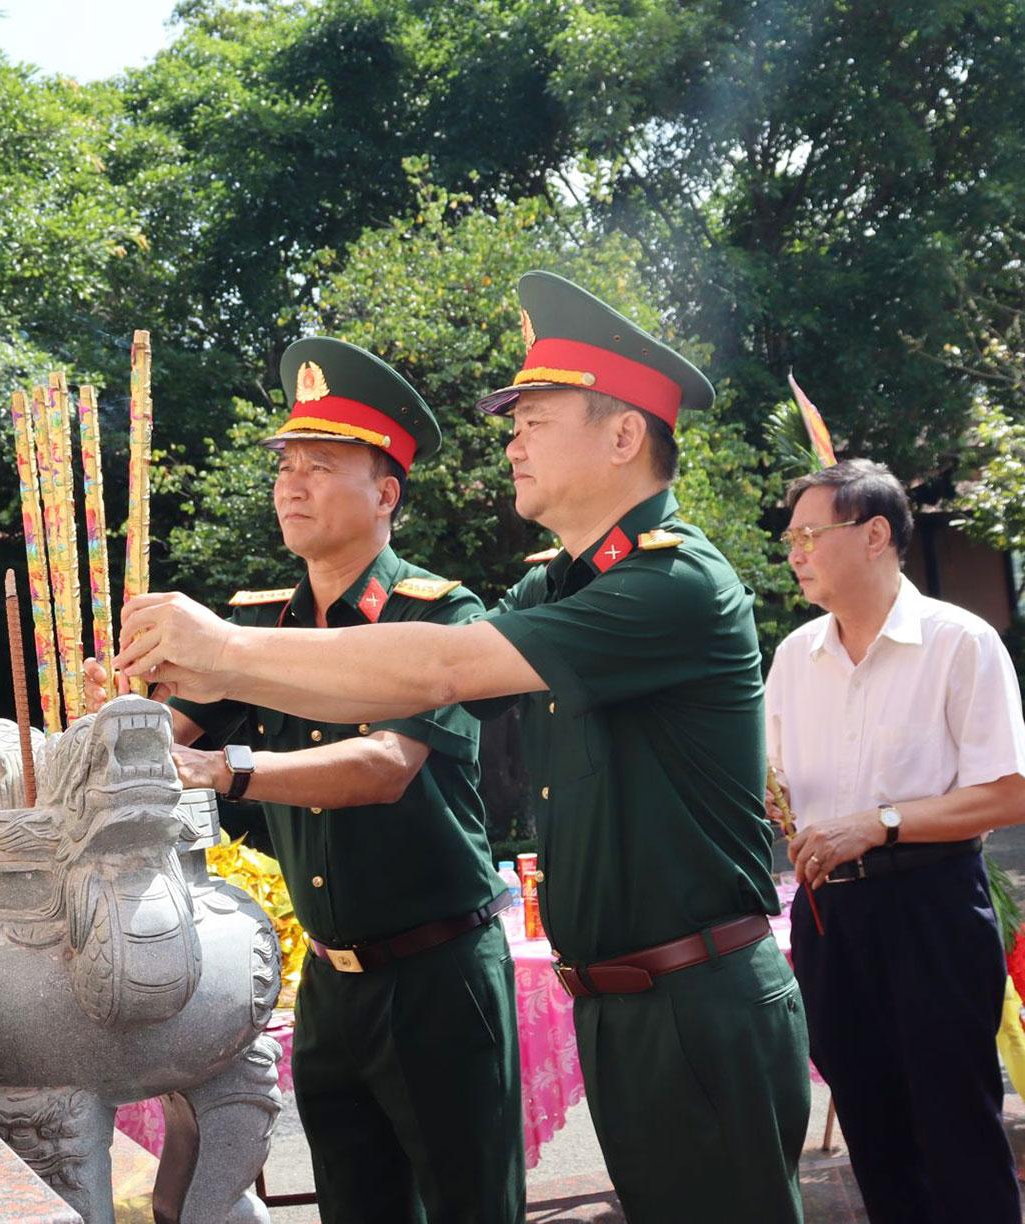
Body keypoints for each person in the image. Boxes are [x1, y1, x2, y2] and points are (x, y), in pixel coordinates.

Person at [114, 272, 810, 1222]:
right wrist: (190, 674)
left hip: (699, 996)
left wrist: (227, 654)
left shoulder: (675, 584)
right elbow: (384, 671)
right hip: (627, 1003)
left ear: (622, 435)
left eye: (535, 416)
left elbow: (437, 672)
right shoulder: (560, 586)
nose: (510, 438)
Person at [95, 336, 522, 1222]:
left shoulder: (438, 617)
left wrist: (225, 770)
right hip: (333, 983)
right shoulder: (256, 626)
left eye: (321, 467)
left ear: (386, 494)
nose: (291, 483)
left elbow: (384, 768)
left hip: (439, 974)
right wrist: (117, 713)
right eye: (286, 465)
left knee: (470, 1207)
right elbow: (162, 739)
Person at [771, 459, 1025, 1223]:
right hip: (829, 922)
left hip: (931, 907)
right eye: (790, 538)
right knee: (873, 1136)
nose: (795, 552)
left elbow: (1008, 791)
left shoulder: (960, 641)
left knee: (956, 1131)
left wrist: (878, 821)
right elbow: (778, 785)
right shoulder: (793, 656)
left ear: (876, 535)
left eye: (810, 534)